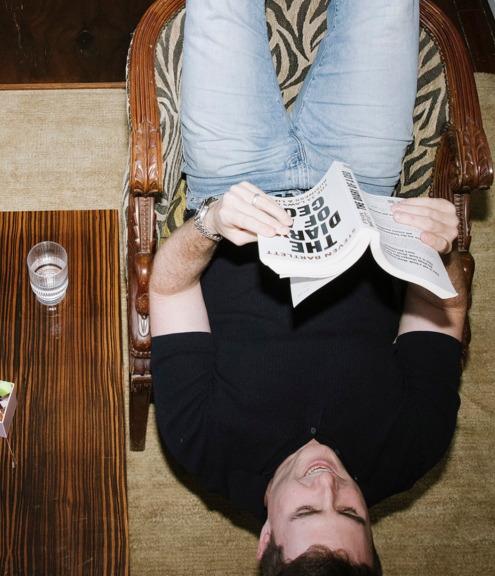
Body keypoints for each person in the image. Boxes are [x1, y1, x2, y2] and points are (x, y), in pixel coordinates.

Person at [148, 0, 467, 573]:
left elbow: (167, 288)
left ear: (266, 534)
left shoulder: (202, 443)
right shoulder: (416, 443)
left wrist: (210, 224)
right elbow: (444, 307)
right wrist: (435, 247)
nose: (328, 483)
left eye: (305, 512)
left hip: (235, 181)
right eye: (350, 510)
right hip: (360, 182)